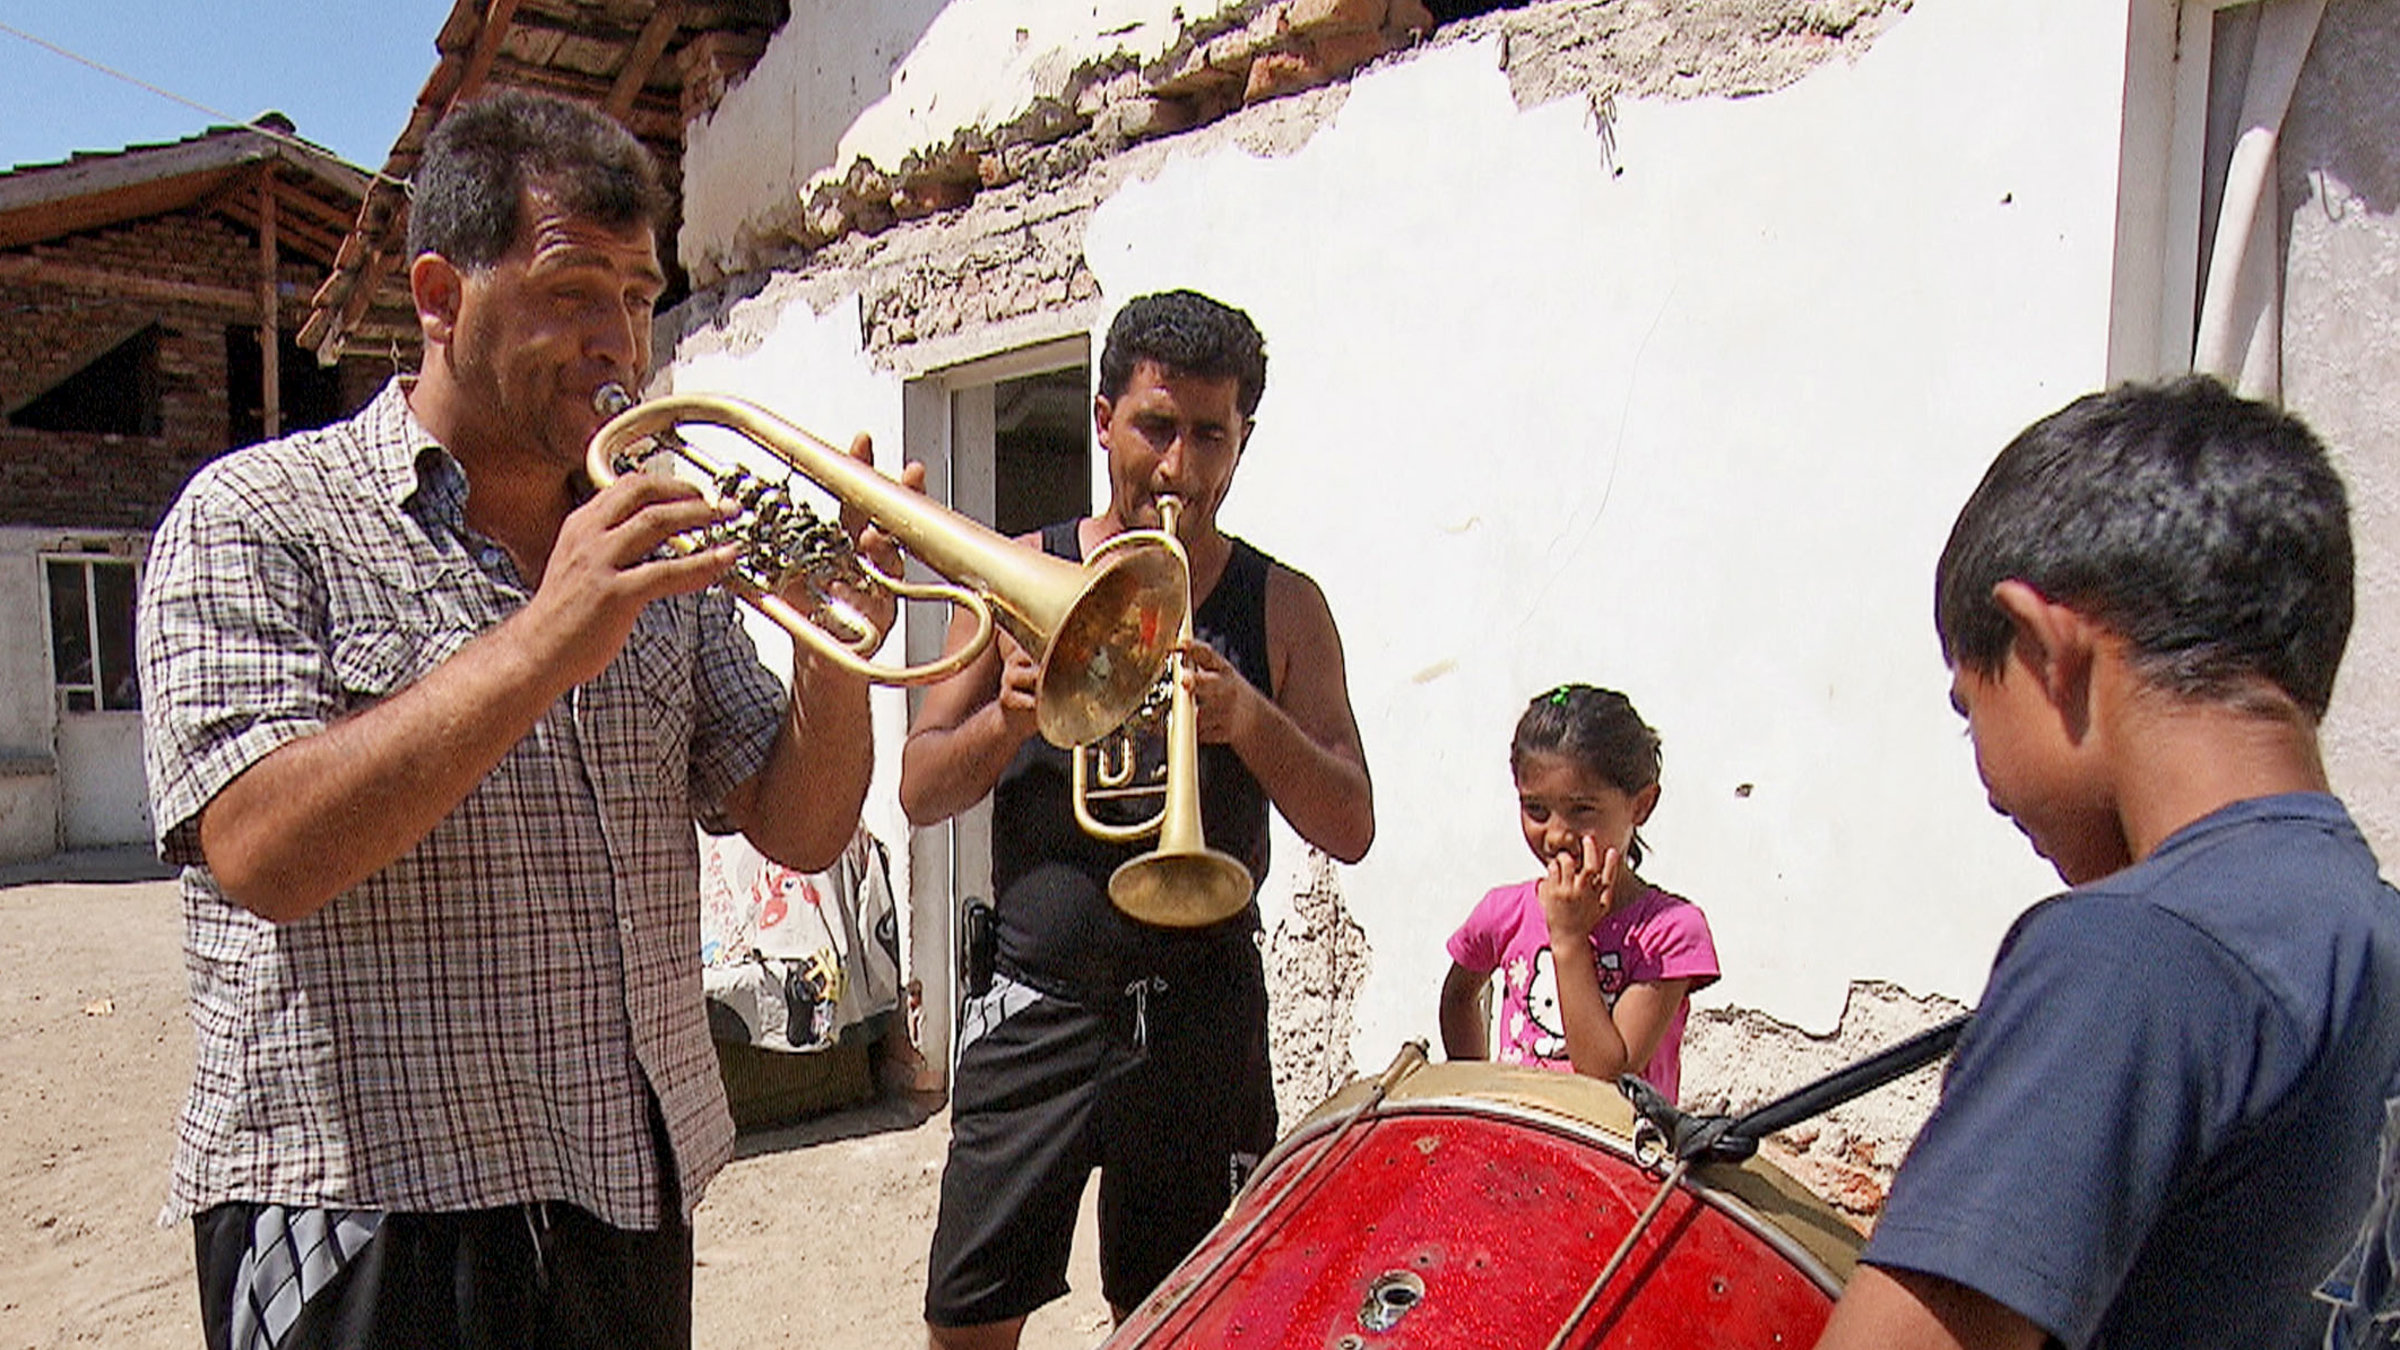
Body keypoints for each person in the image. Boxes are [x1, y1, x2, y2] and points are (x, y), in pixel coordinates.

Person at [137, 90, 904, 1349]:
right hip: (365, 1216)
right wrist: (547, 640)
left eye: (640, 298)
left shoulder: (663, 544)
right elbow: (261, 851)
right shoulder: (258, 518)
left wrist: (840, 638)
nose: (618, 340)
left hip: (619, 1192)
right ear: (440, 295)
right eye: (572, 289)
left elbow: (805, 830)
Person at [1812, 377, 2400, 1350]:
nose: (1991, 788)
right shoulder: (2372, 939)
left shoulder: (2130, 952)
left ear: (2048, 648)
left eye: (1972, 710)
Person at [900, 289, 1375, 1347]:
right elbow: (921, 786)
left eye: (1212, 434)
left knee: (1181, 1324)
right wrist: (1005, 722)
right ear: (1104, 417)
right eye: (1156, 428)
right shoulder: (1022, 569)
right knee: (969, 1319)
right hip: (1035, 1002)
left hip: (1201, 1014)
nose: (1178, 466)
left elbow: (1350, 824)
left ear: (1242, 440)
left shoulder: (1282, 603)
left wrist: (1248, 721)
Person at [1437, 684, 1718, 1100]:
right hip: (1517, 1143)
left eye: (1582, 811)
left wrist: (1567, 939)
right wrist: (1480, 1095)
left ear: (1641, 806)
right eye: (1535, 809)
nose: (1556, 834)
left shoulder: (1669, 933)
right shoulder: (1505, 911)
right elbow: (1459, 996)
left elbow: (1606, 1079)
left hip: (1614, 1155)